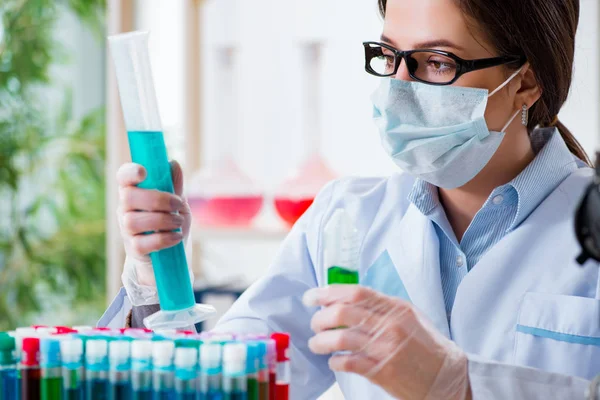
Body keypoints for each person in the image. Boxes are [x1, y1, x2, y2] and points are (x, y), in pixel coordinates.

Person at [100, 0, 600, 398]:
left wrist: (461, 388)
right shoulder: (345, 218)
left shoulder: (587, 228)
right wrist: (154, 276)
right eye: (390, 57)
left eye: (437, 63)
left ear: (527, 82)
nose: (399, 89)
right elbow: (220, 385)